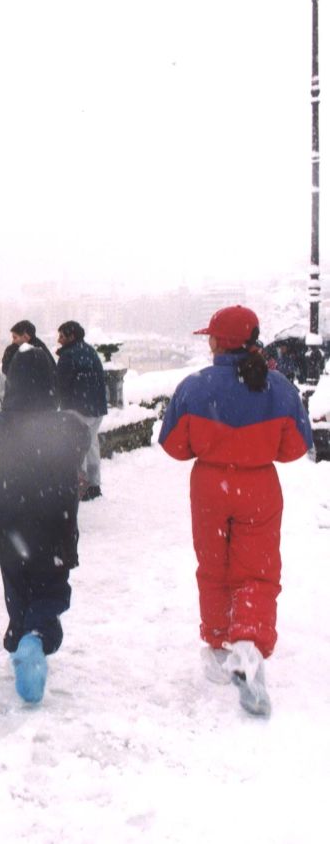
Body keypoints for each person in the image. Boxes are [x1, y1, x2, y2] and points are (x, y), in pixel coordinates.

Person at [158, 306, 312, 717]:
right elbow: (296, 448)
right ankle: (248, 642)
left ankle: (217, 644)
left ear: (217, 342)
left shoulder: (193, 387)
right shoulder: (279, 387)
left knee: (213, 566)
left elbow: (174, 446)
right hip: (258, 487)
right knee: (257, 571)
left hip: (210, 488)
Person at [0, 347, 89, 704]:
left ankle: (21, 636)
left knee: (17, 588)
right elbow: (78, 458)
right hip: (56, 525)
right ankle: (34, 641)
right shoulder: (71, 428)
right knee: (51, 590)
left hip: (8, 525)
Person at [55, 320, 108, 500]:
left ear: (71, 336)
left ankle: (81, 488)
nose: (58, 340)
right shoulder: (90, 351)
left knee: (78, 448)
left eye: (62, 336)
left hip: (78, 408)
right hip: (97, 408)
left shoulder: (68, 356)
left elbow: (60, 384)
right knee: (91, 445)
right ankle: (94, 485)